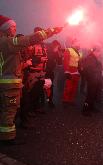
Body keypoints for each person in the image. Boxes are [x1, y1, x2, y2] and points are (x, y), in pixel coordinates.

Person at [0, 15, 62, 145]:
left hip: (9, 83)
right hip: (8, 84)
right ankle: (6, 139)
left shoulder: (5, 42)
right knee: (9, 111)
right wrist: (51, 31)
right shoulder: (7, 42)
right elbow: (29, 40)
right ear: (6, 29)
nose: (15, 29)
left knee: (10, 108)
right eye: (13, 27)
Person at [81, 47, 103, 116]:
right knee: (90, 95)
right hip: (92, 80)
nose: (100, 54)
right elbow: (89, 70)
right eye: (98, 52)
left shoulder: (94, 58)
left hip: (95, 79)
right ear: (94, 52)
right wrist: (99, 69)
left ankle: (91, 107)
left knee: (93, 95)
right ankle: (85, 110)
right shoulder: (90, 58)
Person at [62, 38, 81, 105]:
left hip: (76, 71)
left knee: (74, 87)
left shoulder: (78, 52)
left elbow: (79, 62)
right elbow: (65, 61)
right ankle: (65, 100)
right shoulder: (69, 50)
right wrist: (66, 71)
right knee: (68, 87)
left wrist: (80, 70)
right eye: (78, 42)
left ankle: (71, 100)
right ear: (74, 43)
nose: (79, 44)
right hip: (70, 70)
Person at [45, 40, 62, 107]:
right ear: (54, 46)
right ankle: (47, 101)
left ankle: (49, 101)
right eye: (58, 47)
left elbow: (59, 63)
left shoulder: (55, 52)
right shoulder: (48, 51)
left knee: (49, 87)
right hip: (46, 72)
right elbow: (49, 60)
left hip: (50, 72)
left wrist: (59, 55)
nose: (58, 48)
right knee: (47, 87)